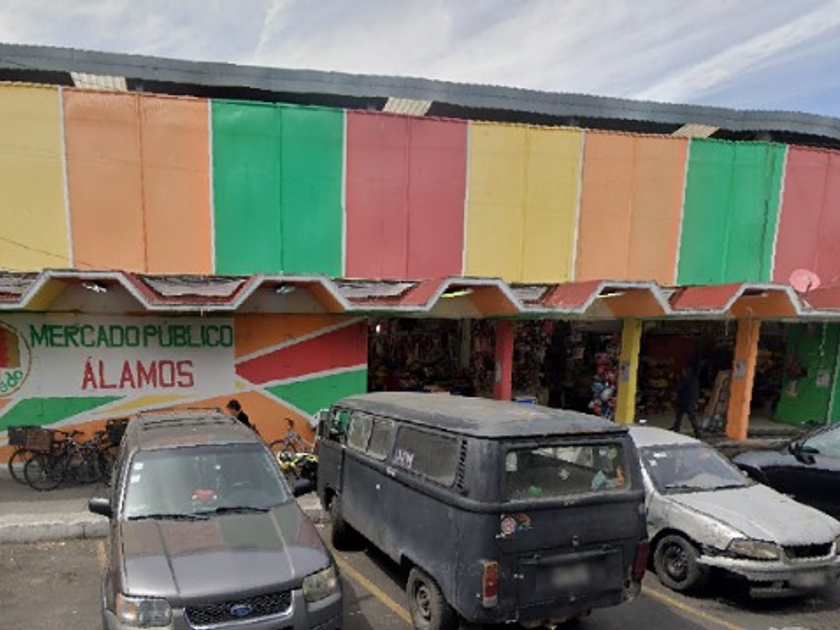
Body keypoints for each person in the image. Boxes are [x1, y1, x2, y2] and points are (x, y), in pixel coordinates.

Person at [671, 366, 702, 439]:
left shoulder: (685, 379)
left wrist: (674, 393)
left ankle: (677, 428)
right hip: (691, 401)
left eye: (683, 371)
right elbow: (697, 391)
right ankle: (697, 432)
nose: (682, 372)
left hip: (683, 400)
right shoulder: (695, 380)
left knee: (680, 415)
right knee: (691, 417)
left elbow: (679, 388)